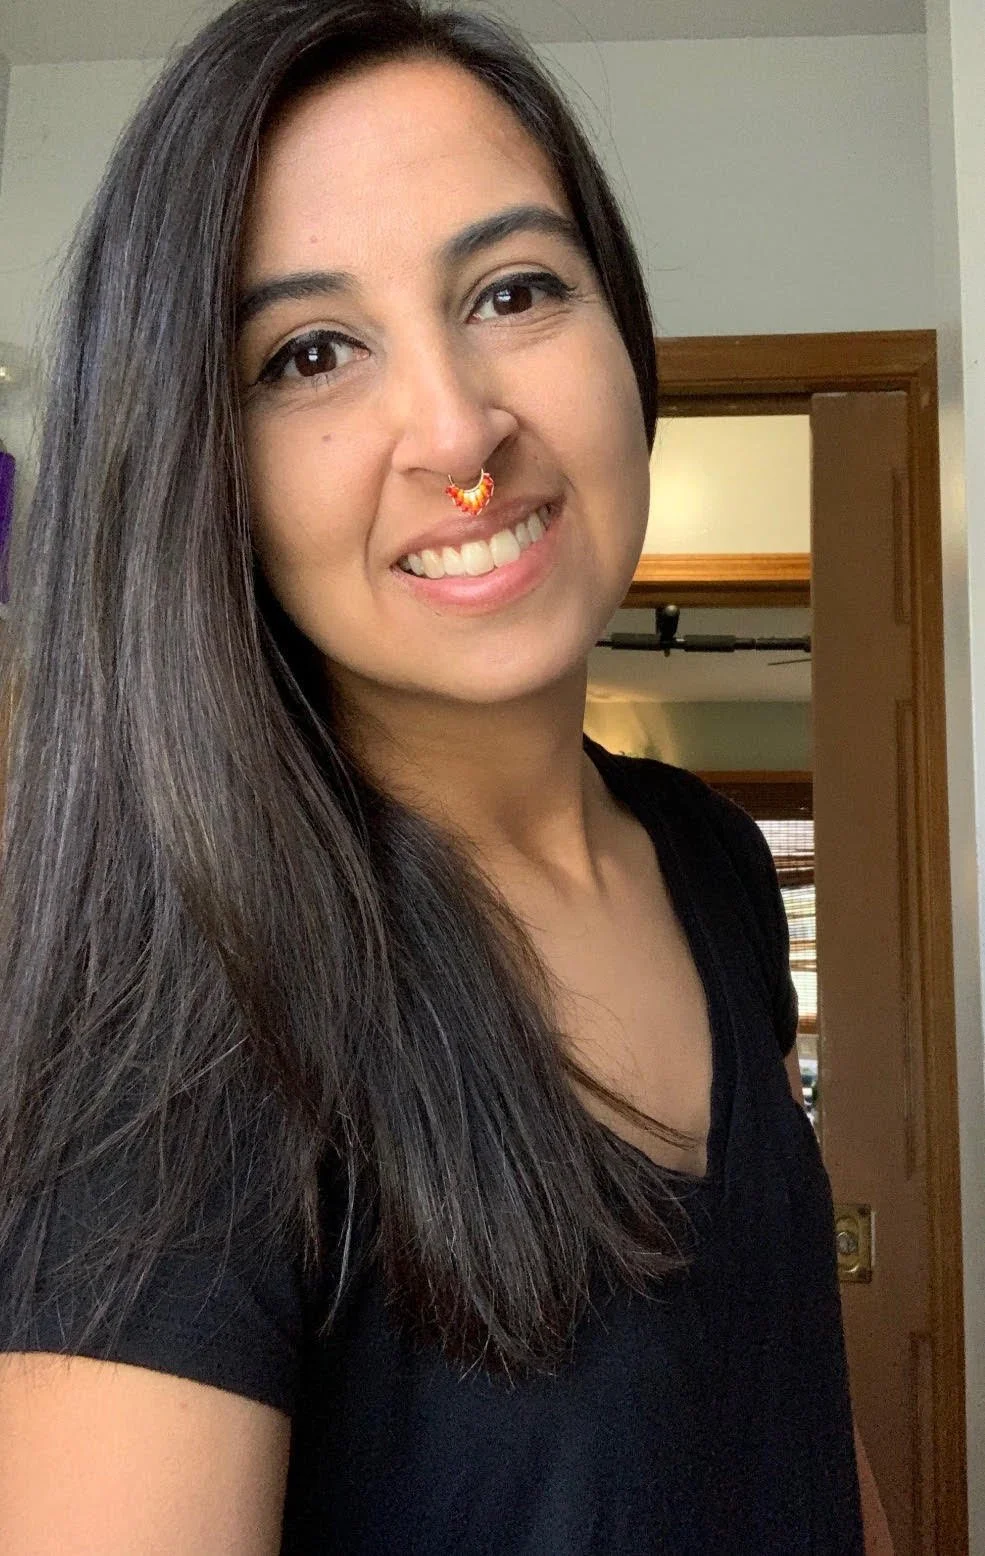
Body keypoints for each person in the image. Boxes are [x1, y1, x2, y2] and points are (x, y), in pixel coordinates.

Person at [0, 1, 893, 1550]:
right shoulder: (180, 1028)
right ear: (200, 462)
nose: (462, 433)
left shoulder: (708, 863)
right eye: (314, 353)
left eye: (516, 289)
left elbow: (782, 1423)